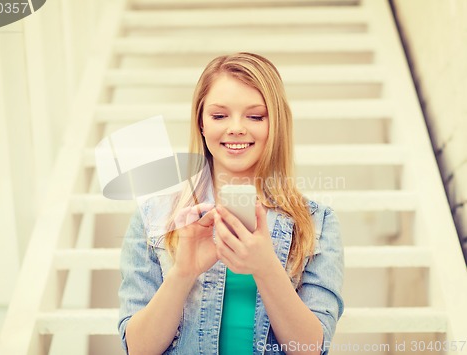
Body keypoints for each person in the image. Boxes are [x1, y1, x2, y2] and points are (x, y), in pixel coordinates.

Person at [118, 52, 344, 355]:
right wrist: (183, 272)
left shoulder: (316, 223)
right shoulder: (154, 218)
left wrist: (266, 268)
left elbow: (309, 349)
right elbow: (138, 349)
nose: (236, 128)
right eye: (219, 115)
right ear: (200, 123)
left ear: (275, 124)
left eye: (255, 116)